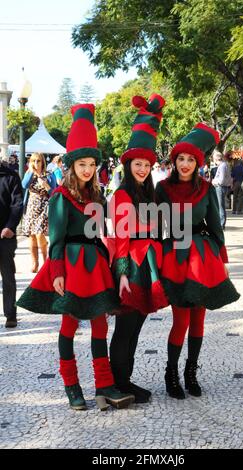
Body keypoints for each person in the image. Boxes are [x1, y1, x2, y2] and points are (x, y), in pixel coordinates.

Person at [17, 104, 134, 411]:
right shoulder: (60, 197)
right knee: (69, 325)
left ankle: (104, 385)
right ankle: (71, 385)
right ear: (71, 165)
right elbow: (56, 239)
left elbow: (107, 234)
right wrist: (56, 271)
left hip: (96, 265)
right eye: (81, 163)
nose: (86, 169)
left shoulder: (98, 196)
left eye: (91, 164)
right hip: (71, 267)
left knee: (99, 326)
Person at [155, 123, 240, 399]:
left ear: (197, 162)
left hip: (202, 259)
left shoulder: (205, 188)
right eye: (181, 158)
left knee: (199, 320)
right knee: (180, 320)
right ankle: (171, 373)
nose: (185, 163)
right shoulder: (162, 188)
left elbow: (216, 226)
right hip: (176, 257)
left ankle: (191, 372)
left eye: (191, 159)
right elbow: (155, 228)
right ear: (174, 160)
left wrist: (221, 259)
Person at [109, 94, 169, 404]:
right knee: (125, 326)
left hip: (147, 265)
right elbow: (119, 238)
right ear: (128, 164)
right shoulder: (121, 196)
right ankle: (117, 383)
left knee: (136, 326)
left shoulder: (149, 194)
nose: (143, 169)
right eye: (138, 164)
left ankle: (125, 379)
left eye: (147, 164)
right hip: (129, 266)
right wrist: (120, 274)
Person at [22, 153, 56, 273]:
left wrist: (45, 185)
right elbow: (24, 185)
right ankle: (35, 262)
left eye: (38, 161)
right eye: (33, 161)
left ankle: (45, 260)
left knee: (39, 233)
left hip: (43, 207)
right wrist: (31, 172)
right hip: (31, 206)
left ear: (43, 162)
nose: (36, 163)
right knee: (31, 235)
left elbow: (55, 193)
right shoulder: (29, 174)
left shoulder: (49, 175)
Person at [0, 157, 23, 328]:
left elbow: (17, 204)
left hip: (5, 236)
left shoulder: (11, 176)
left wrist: (10, 226)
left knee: (8, 277)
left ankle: (10, 315)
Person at [212, 152, 232, 229]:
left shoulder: (223, 166)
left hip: (220, 187)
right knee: (220, 206)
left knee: (220, 206)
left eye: (213, 158)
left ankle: (221, 224)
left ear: (216, 158)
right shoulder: (224, 165)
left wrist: (214, 181)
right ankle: (221, 223)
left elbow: (221, 180)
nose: (213, 160)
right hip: (222, 187)